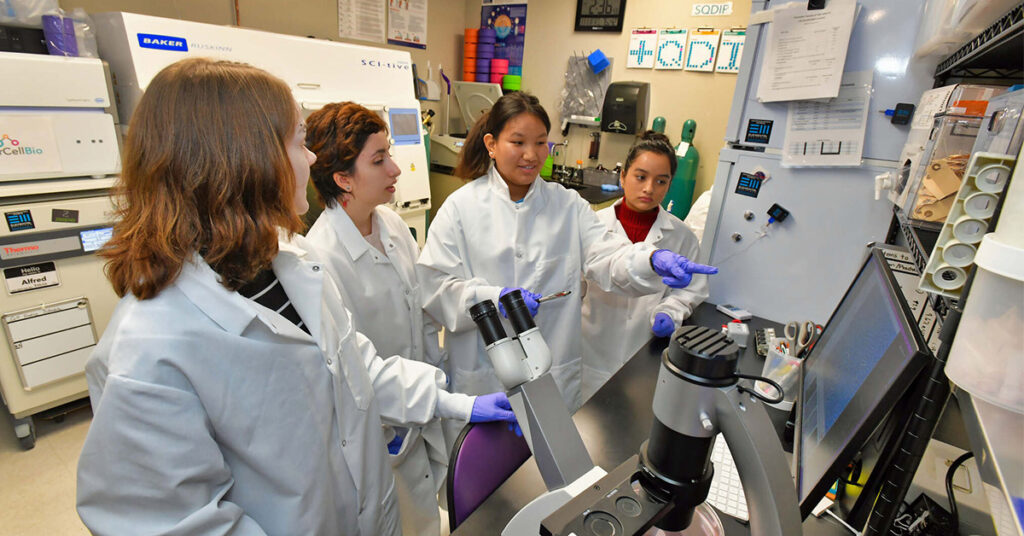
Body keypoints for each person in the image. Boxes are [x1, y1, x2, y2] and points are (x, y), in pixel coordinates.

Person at [75, 58, 515, 536]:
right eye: (299, 142)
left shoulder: (291, 260)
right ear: (243, 161)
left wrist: (453, 402)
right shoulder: (147, 353)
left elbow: (354, 368)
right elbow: (175, 524)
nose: (311, 161)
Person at [416, 92, 717, 411]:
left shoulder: (568, 206)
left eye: (540, 142)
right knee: (483, 459)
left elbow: (609, 258)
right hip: (483, 373)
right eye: (518, 142)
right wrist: (495, 299)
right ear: (491, 144)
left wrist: (651, 260)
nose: (531, 155)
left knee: (551, 457)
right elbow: (435, 288)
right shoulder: (460, 208)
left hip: (552, 374)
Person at [304, 102, 448, 536]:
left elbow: (421, 308)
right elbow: (349, 370)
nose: (396, 170)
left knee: (424, 513)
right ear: (343, 178)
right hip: (378, 427)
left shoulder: (392, 225)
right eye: (379, 159)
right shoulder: (321, 257)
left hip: (418, 405)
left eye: (390, 155)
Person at [580, 131, 708, 402]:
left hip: (644, 352)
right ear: (623, 175)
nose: (649, 188)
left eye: (660, 181)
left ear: (669, 184)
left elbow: (689, 292)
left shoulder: (681, 236)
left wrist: (670, 311)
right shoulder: (592, 226)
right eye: (640, 177)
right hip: (589, 351)